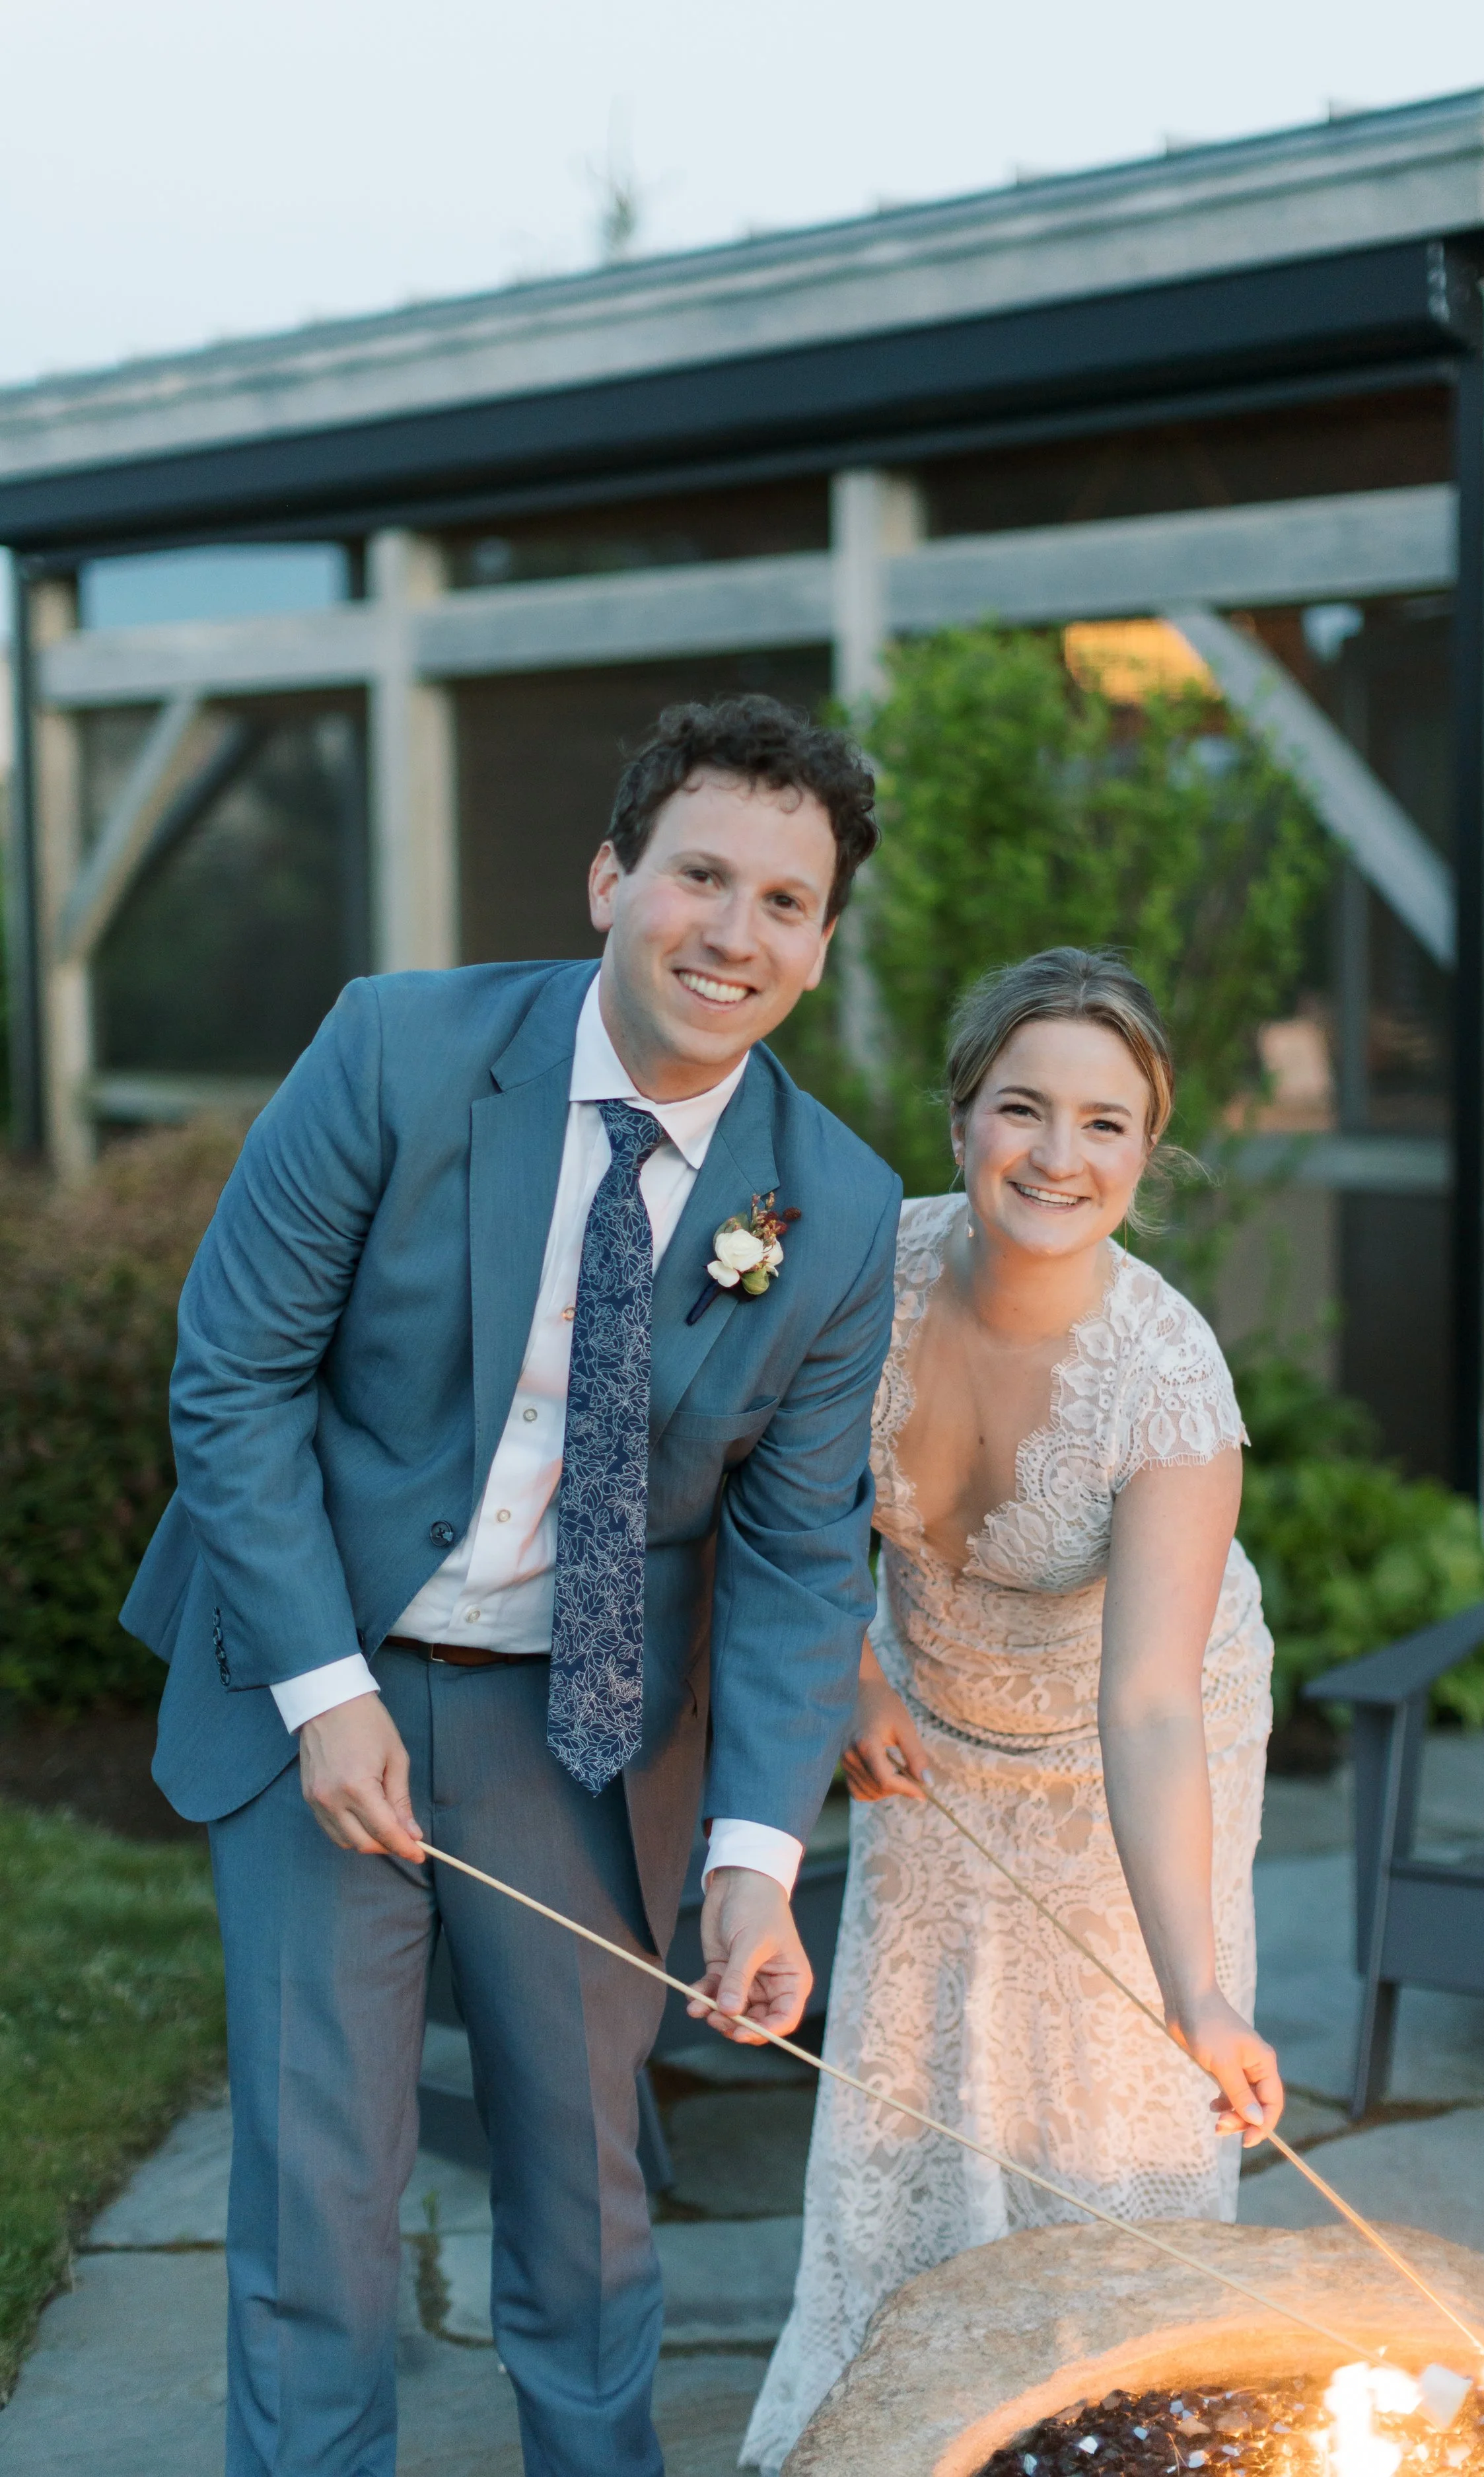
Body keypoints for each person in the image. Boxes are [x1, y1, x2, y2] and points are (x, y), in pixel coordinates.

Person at [120, 694, 901, 2477]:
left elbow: (796, 1550)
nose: (733, 930)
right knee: (322, 2172)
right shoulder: (396, 1048)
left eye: (785, 901)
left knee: (589, 2170)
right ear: (611, 877)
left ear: (819, 943)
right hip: (319, 1654)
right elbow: (232, 1372)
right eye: (699, 874)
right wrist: (320, 1690)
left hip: (587, 1721)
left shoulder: (834, 1208)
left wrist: (755, 1865)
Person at [743, 947, 1281, 2474]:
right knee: (911, 2097)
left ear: (1146, 1149)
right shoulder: (864, 1269)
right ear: (961, 1115)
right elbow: (769, 1508)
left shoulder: (1167, 1381)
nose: (1058, 1156)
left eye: (1104, 1124)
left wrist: (1200, 1992)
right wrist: (849, 1667)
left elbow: (1149, 1707)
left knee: (1110, 2120)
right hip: (929, 1730)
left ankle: (1113, 2425)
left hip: (1136, 1744)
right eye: (1021, 1109)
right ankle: (895, 2423)